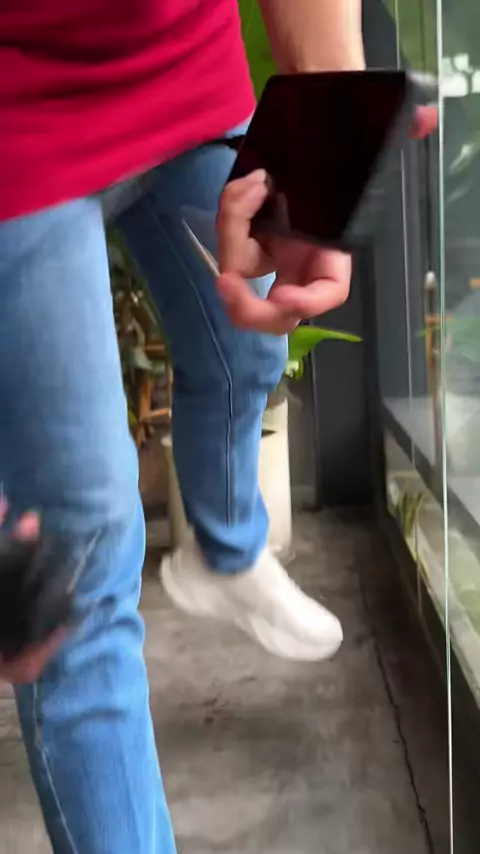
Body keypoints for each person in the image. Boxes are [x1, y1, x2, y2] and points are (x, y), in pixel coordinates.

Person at [0, 1, 436, 850]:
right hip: (15, 113)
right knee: (81, 563)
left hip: (183, 58)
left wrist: (328, 159)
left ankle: (224, 552)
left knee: (252, 341)